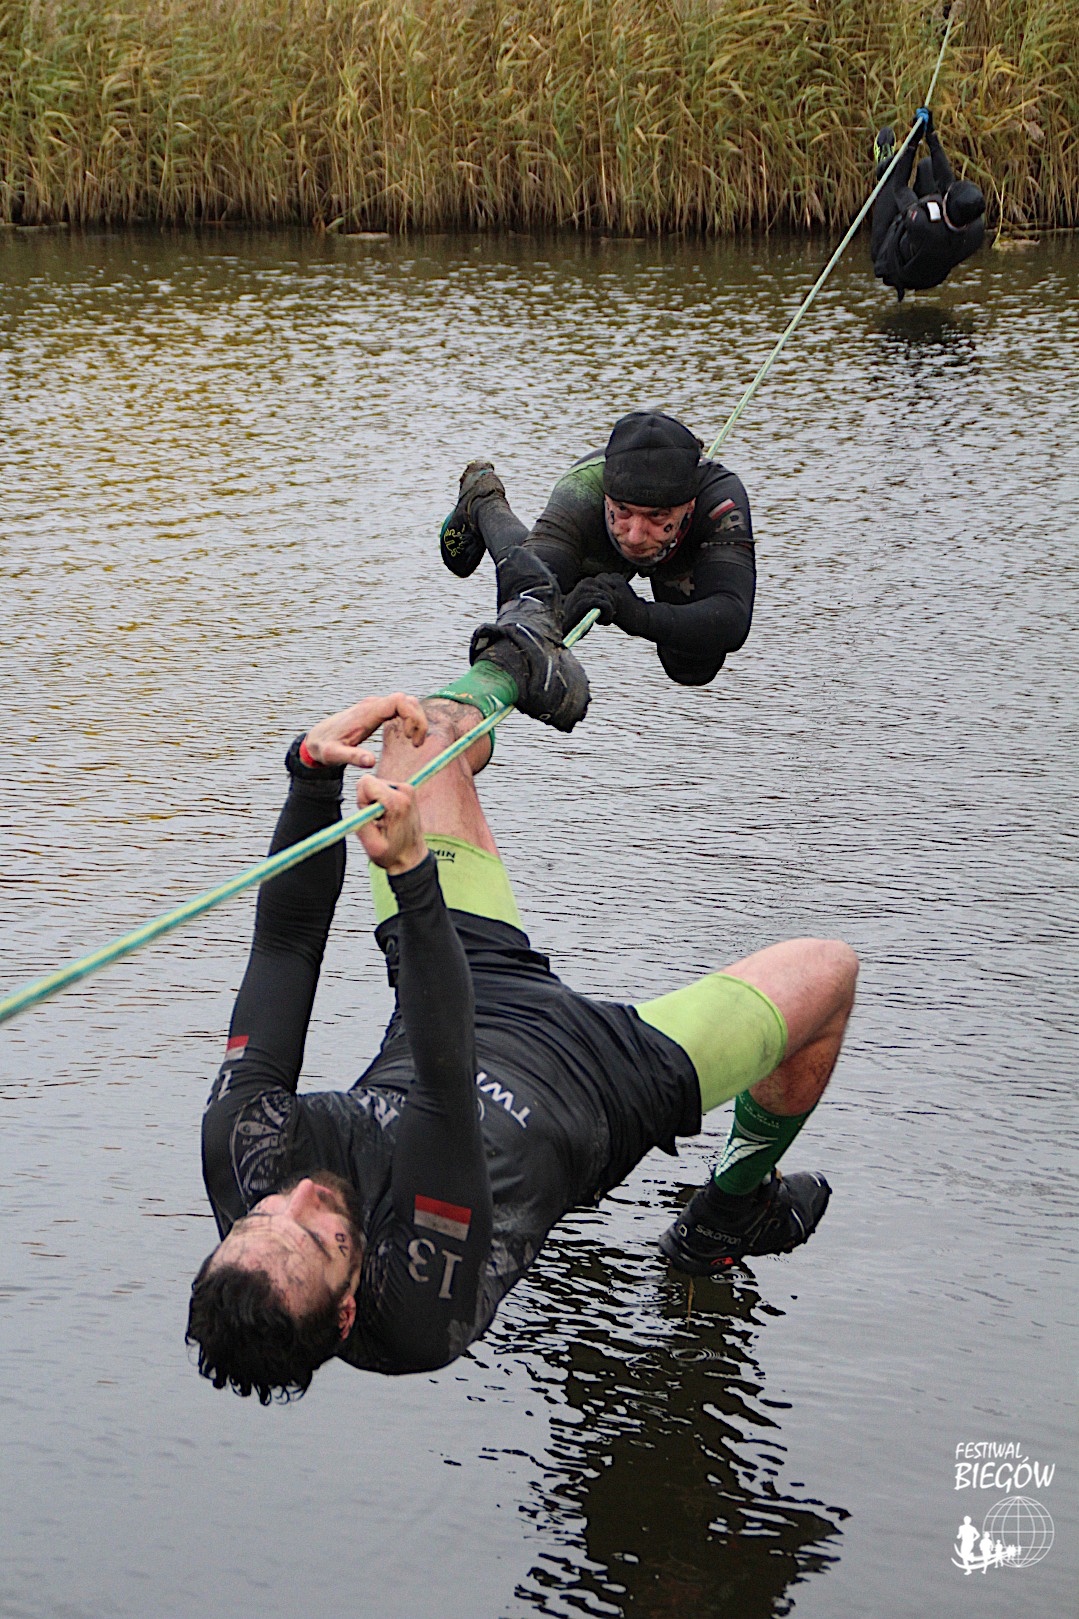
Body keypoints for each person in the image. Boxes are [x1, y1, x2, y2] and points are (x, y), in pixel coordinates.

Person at [186, 627, 858, 1402]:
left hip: (460, 992)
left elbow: (284, 947)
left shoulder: (245, 1154)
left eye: (262, 1215)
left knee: (415, 733)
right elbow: (444, 1084)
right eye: (319, 1234)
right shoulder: (414, 1309)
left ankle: (523, 644)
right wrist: (408, 871)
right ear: (344, 1312)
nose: (300, 1193)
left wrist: (308, 777)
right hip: (598, 1087)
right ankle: (730, 1210)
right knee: (828, 972)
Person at [439, 408, 756, 687]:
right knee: (542, 621)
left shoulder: (719, 498)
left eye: (657, 516)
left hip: (680, 546)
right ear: (606, 496)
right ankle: (484, 502)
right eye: (623, 510)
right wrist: (569, 607)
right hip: (597, 538)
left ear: (690, 505)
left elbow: (733, 617)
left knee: (692, 666)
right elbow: (520, 604)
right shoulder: (579, 495)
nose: (635, 535)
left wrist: (639, 615)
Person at [870, 109, 985, 302]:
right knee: (928, 167)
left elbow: (900, 188)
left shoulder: (923, 223)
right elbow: (946, 182)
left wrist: (912, 143)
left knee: (893, 175)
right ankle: (893, 162)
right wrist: (930, 134)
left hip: (892, 265)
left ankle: (885, 164)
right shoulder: (975, 228)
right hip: (931, 271)